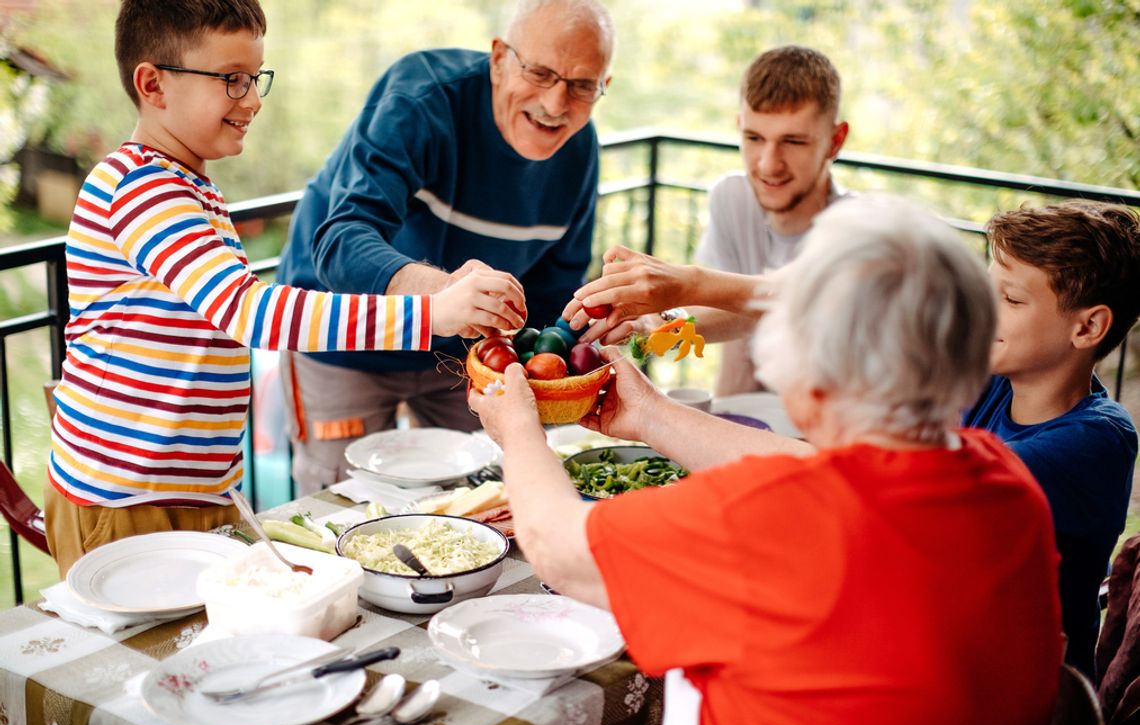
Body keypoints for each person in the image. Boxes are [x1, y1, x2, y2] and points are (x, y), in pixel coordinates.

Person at [471, 195, 1062, 725]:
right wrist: (652, 416)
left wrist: (516, 427)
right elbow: (812, 472)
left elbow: (559, 548)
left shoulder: (764, 520)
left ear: (810, 373)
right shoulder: (1002, 477)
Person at [44, 0, 525, 576]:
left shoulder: (187, 186)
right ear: (153, 84)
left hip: (191, 492)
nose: (252, 99)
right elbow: (248, 312)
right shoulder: (141, 189)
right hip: (126, 498)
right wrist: (429, 312)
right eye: (231, 80)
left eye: (254, 78)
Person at [275, 0, 615, 495]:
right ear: (499, 58)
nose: (557, 104)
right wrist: (445, 292)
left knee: (488, 487)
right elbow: (340, 241)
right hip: (344, 336)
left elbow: (552, 290)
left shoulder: (579, 152)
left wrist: (587, 336)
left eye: (583, 85)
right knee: (341, 498)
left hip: (468, 353)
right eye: (539, 72)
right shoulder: (420, 98)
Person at [564, 45, 848, 396]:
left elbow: (806, 297)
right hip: (747, 418)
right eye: (754, 138)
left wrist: (687, 283)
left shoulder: (859, 229)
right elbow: (744, 314)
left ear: (835, 141)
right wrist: (655, 322)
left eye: (793, 141)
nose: (768, 164)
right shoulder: (733, 198)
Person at [964, 201, 1140, 680]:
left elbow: (901, 477)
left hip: (1031, 696)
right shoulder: (996, 379)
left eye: (1011, 300)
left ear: (1087, 327)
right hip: (960, 648)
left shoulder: (1096, 440)